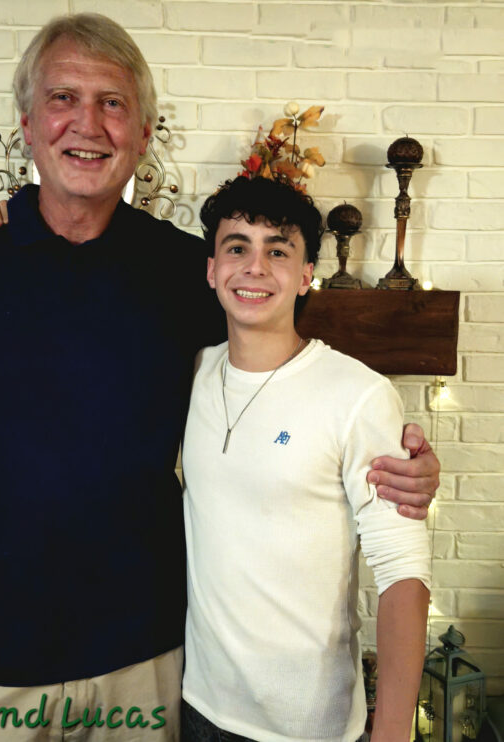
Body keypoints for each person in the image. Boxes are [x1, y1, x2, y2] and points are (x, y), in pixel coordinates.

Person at [0, 13, 438, 742]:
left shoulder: (186, 269)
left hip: (144, 666)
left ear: (142, 134)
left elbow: (287, 371)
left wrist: (404, 465)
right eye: (63, 98)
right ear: (28, 124)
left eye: (113, 103)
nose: (88, 124)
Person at [179, 175, 430, 742]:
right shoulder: (195, 372)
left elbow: (403, 572)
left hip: (309, 726)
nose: (255, 267)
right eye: (237, 247)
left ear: (305, 275)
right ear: (212, 270)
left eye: (278, 251)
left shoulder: (358, 395)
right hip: (199, 706)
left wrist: (393, 731)